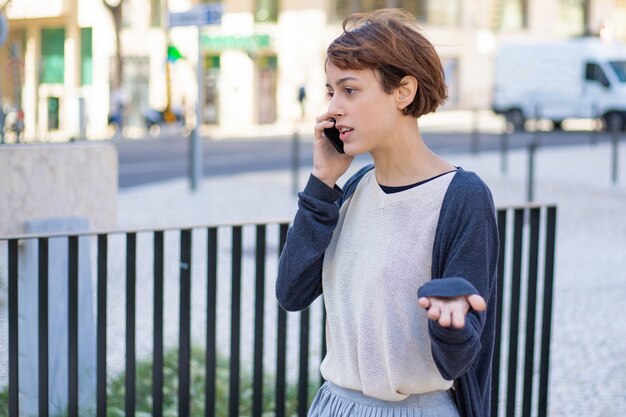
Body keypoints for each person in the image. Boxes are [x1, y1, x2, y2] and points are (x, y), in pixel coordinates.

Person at [276, 8, 499, 417]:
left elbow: (458, 359)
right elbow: (291, 293)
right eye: (331, 92)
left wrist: (449, 323)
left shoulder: (461, 197)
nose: (333, 108)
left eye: (350, 90)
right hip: (334, 405)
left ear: (404, 92)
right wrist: (322, 184)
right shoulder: (354, 188)